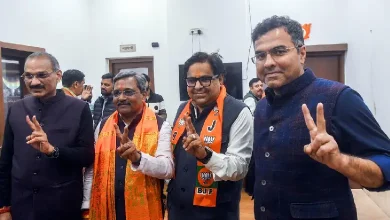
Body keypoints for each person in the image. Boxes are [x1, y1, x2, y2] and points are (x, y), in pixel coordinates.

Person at [251, 15, 390, 220]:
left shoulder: (340, 98)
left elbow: (386, 163)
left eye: (279, 51)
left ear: (302, 53)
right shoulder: (262, 107)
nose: (268, 63)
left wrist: (341, 161)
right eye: (260, 55)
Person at [0, 52, 95, 220]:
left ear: (58, 75)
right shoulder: (16, 109)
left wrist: (53, 151)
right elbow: (5, 160)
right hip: (21, 204)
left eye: (41, 75)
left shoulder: (79, 109)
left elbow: (87, 157)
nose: (34, 82)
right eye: (28, 76)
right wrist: (3, 207)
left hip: (62, 204)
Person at [168, 52, 253, 220]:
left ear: (220, 79)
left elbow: (239, 167)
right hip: (178, 209)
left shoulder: (239, 111)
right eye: (191, 81)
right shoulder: (182, 109)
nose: (198, 86)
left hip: (217, 212)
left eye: (205, 79)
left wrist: (205, 155)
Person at [82, 71, 173, 220]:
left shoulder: (160, 125)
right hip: (106, 208)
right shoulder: (104, 125)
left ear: (144, 94)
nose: (121, 98)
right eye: (117, 93)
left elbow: (167, 169)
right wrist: (86, 204)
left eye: (128, 92)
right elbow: (93, 168)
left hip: (145, 210)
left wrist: (138, 158)